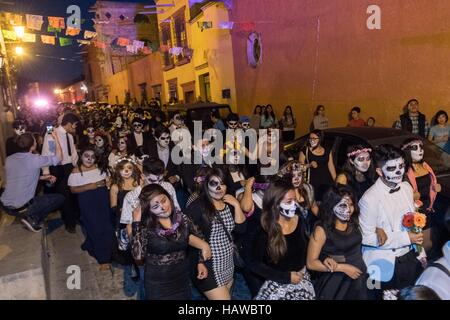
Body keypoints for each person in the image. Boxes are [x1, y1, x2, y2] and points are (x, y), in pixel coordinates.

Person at [359, 144, 424, 300]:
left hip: (409, 258)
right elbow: (367, 238)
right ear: (380, 171)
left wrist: (421, 253)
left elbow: (413, 222)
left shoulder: (407, 187)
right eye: (392, 168)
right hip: (380, 264)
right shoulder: (369, 199)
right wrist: (406, 238)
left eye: (401, 166)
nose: (398, 171)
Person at [131, 184, 211, 300]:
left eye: (164, 201)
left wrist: (201, 262)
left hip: (182, 278)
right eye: (155, 206)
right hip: (157, 284)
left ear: (169, 197)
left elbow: (199, 236)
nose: (163, 207)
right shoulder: (146, 226)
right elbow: (138, 255)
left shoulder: (182, 219)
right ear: (149, 210)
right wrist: (136, 223)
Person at [184, 168, 246, 300]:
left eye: (222, 183)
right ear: (206, 185)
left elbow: (241, 229)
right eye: (213, 183)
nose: (219, 188)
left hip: (227, 262)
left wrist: (237, 205)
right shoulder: (197, 206)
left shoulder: (229, 203)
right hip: (207, 264)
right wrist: (203, 246)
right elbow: (183, 233)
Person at [248, 179, 315, 300]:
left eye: (295, 200)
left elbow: (308, 248)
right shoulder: (264, 230)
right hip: (276, 283)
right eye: (289, 201)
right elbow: (254, 264)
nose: (294, 205)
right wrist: (285, 277)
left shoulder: (300, 220)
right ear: (275, 204)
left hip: (302, 279)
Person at [307, 186, 367, 300]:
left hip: (358, 280)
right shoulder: (322, 229)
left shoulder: (353, 222)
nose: (348, 209)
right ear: (332, 206)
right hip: (335, 283)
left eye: (351, 204)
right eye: (343, 205)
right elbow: (311, 263)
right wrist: (341, 267)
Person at [0, 132, 65, 232]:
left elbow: (20, 177)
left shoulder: (9, 159)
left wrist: (44, 177)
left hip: (5, 205)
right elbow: (59, 157)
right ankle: (34, 219)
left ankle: (29, 216)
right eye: (35, 141)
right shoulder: (35, 159)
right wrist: (56, 137)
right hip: (21, 207)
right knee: (59, 198)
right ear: (33, 146)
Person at [68, 147, 114, 270]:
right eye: (86, 155)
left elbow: (108, 183)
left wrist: (108, 183)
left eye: (93, 157)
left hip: (103, 202)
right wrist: (90, 186)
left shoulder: (100, 169)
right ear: (81, 156)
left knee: (106, 227)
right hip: (88, 204)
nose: (89, 159)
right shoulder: (76, 171)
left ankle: (94, 245)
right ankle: (103, 259)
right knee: (95, 228)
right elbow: (73, 190)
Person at [42, 113, 80, 233]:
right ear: (68, 124)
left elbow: (73, 152)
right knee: (65, 196)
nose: (75, 128)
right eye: (74, 126)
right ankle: (70, 223)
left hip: (69, 167)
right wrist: (46, 172)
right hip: (58, 168)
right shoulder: (52, 134)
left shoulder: (69, 136)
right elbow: (47, 153)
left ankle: (73, 217)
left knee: (73, 194)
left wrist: (76, 166)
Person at [402, 138, 441, 252]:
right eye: (415, 148)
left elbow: (431, 183)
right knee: (419, 243)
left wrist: (435, 186)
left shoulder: (425, 165)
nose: (420, 150)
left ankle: (426, 262)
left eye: (421, 147)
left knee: (429, 241)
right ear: (407, 151)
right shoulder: (403, 169)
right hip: (414, 211)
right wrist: (410, 195)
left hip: (429, 207)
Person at [299, 130, 336, 201]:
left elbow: (331, 166)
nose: (312, 140)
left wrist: (336, 181)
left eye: (314, 138)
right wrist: (309, 165)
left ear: (320, 139)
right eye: (310, 138)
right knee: (314, 203)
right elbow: (300, 167)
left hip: (327, 183)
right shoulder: (305, 150)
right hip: (313, 184)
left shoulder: (327, 150)